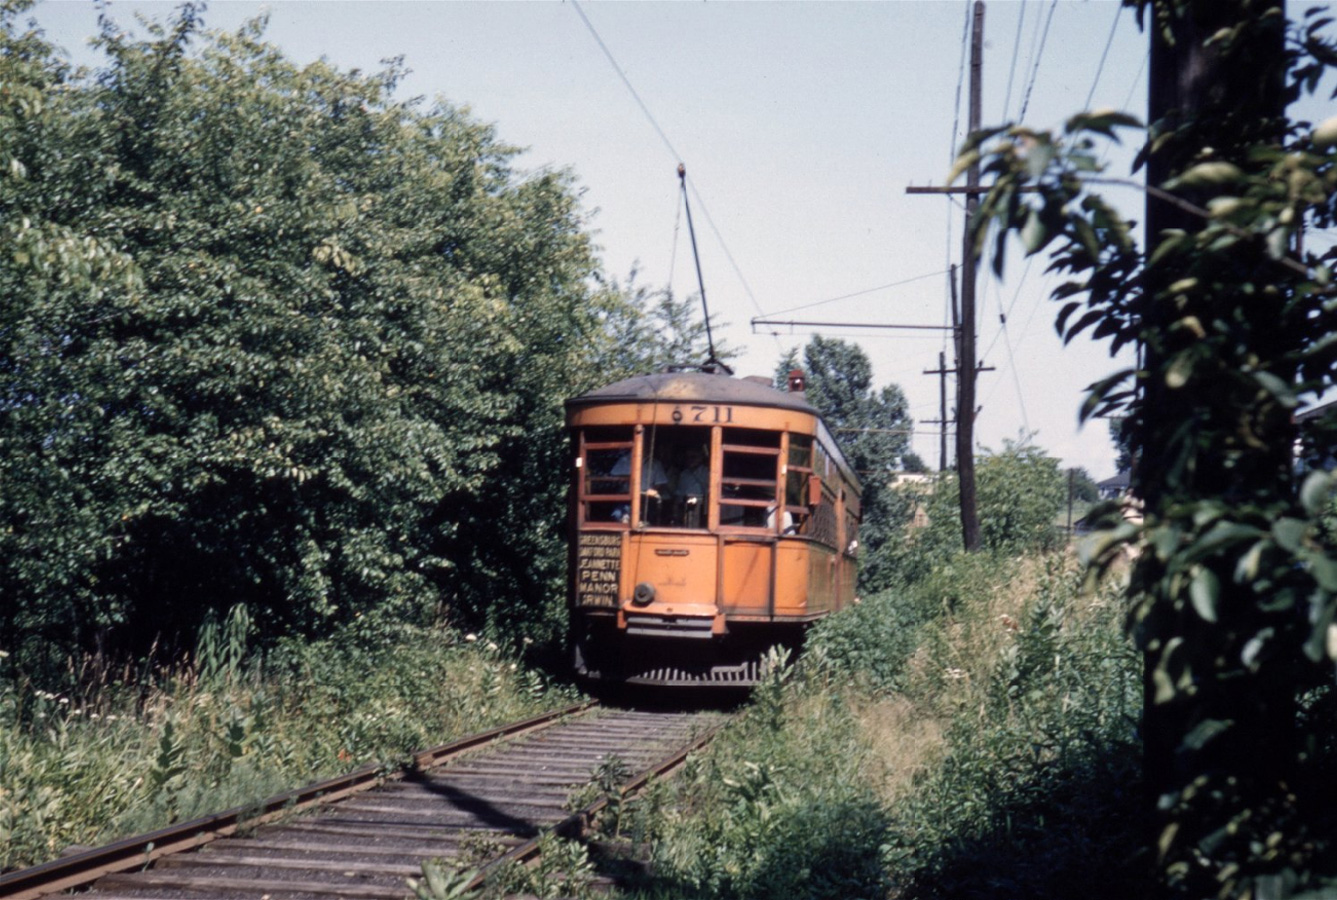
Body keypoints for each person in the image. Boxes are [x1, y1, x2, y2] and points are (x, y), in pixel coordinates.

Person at [610, 450, 669, 524]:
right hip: (627, 495)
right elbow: (614, 478)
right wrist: (623, 481)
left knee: (647, 516)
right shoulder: (624, 460)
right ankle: (624, 520)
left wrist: (654, 490)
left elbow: (661, 483)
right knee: (618, 514)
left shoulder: (655, 463)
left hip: (646, 498)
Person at [673, 445, 710, 527]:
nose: (690, 460)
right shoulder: (684, 474)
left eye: (694, 457)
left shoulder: (707, 472)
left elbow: (709, 490)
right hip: (686, 507)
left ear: (701, 458)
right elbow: (679, 494)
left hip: (703, 508)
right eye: (688, 457)